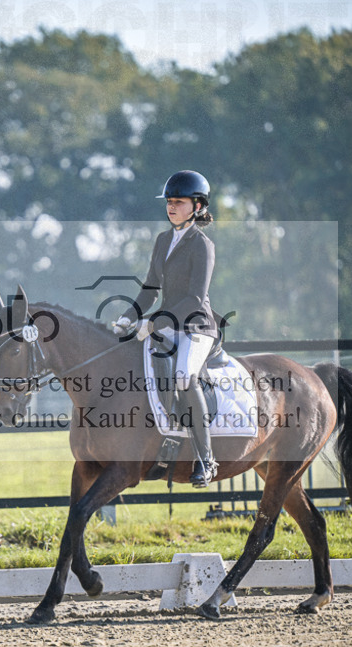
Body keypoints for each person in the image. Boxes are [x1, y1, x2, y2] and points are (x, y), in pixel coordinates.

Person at [112, 170, 219, 487]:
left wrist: (154, 323)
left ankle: (206, 460)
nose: (171, 207)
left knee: (184, 377)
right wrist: (129, 316)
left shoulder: (202, 245)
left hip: (196, 326)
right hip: (167, 324)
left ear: (197, 206)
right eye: (169, 201)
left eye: (179, 202)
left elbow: (195, 298)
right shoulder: (162, 240)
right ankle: (159, 445)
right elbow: (150, 289)